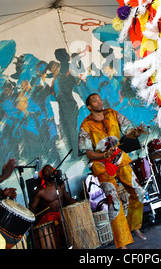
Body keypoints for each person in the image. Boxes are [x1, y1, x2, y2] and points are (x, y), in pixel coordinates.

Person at [78, 93, 146, 249]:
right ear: (89, 107)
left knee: (138, 191)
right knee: (114, 202)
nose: (100, 101)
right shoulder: (85, 126)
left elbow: (128, 131)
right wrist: (103, 155)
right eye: (95, 100)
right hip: (101, 165)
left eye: (100, 99)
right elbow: (88, 152)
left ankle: (134, 226)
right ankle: (122, 244)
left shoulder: (112, 113)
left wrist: (135, 133)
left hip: (119, 158)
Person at [29, 164, 77, 247]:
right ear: (43, 176)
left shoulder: (60, 186)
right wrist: (33, 218)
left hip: (62, 213)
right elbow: (32, 208)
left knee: (72, 220)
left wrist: (79, 203)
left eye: (51, 169)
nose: (50, 171)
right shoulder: (41, 192)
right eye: (47, 170)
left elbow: (68, 199)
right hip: (49, 217)